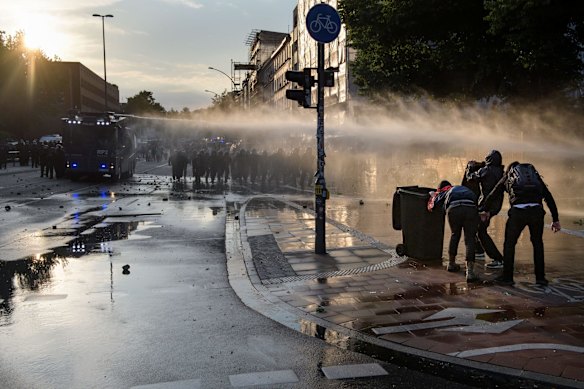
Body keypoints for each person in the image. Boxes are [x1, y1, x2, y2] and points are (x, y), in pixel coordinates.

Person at [480, 161, 561, 286]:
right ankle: (540, 278)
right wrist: (555, 220)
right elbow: (548, 196)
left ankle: (507, 277)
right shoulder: (534, 176)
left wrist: (484, 210)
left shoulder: (509, 175)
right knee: (537, 244)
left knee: (509, 244)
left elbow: (494, 193)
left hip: (518, 212)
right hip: (536, 211)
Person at [428, 180, 480, 282]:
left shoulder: (446, 191)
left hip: (454, 209)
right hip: (470, 208)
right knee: (470, 238)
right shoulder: (464, 189)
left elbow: (434, 206)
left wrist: (433, 195)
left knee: (455, 234)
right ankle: (470, 272)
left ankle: (451, 264)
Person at [465, 150, 505, 269]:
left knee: (480, 230)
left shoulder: (485, 171)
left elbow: (470, 178)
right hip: (496, 206)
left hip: (484, 206)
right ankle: (480, 252)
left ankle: (498, 259)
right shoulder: (502, 172)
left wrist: (469, 168)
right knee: (477, 228)